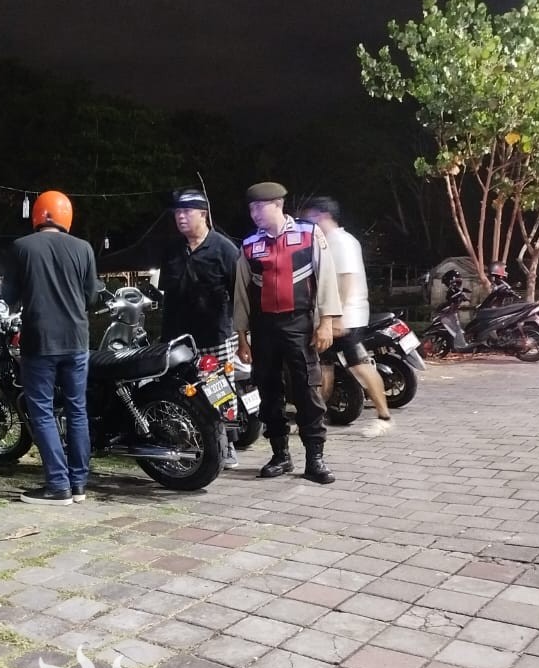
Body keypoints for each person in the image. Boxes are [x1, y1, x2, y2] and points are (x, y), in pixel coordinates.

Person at [233, 182, 342, 483]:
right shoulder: (249, 244)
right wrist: (242, 336)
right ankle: (280, 455)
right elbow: (241, 294)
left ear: (278, 204)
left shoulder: (308, 234)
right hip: (264, 328)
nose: (254, 213)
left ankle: (315, 458)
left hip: (299, 325)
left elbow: (326, 277)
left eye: (260, 206)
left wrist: (326, 322)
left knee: (307, 389)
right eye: (251, 208)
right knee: (268, 391)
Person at [1, 190, 98, 505]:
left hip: (39, 341)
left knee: (42, 411)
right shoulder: (84, 248)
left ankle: (58, 485)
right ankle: (79, 484)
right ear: (66, 217)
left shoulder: (22, 247)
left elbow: (9, 296)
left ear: (37, 216)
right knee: (77, 409)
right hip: (77, 340)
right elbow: (92, 296)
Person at [158, 187, 242, 468]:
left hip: (214, 334)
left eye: (186, 212)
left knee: (219, 390)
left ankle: (227, 444)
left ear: (203, 214)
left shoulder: (224, 249)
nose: (180, 217)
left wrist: (243, 333)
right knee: (178, 389)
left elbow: (239, 294)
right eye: (177, 213)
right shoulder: (172, 249)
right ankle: (186, 440)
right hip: (177, 337)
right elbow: (167, 293)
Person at [300, 197, 393, 437]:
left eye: (310, 217)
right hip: (331, 318)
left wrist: (335, 317)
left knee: (359, 366)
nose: (308, 223)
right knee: (325, 366)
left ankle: (384, 416)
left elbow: (346, 279)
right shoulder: (327, 242)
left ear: (323, 216)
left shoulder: (341, 242)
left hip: (346, 318)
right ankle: (315, 418)